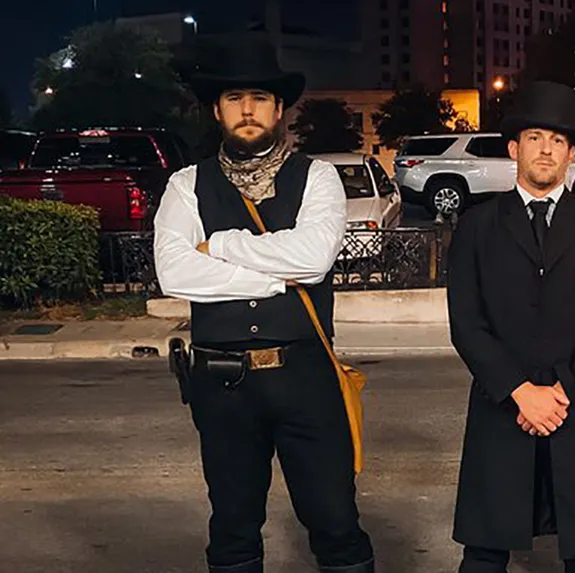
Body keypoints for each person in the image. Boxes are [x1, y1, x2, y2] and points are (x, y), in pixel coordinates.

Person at [153, 36, 374, 573]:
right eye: (234, 98)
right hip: (222, 386)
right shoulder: (186, 185)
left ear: (279, 109)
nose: (247, 109)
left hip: (306, 378)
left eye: (258, 97)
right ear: (217, 108)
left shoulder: (317, 177)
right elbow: (174, 271)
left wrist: (223, 245)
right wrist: (276, 277)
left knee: (336, 523)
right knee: (232, 529)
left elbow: (313, 257)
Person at [446, 80, 575, 573]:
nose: (546, 149)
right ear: (514, 148)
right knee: (484, 551)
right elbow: (466, 324)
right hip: (500, 405)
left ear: (571, 152)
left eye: (557, 140)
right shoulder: (476, 225)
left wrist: (558, 391)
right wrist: (517, 390)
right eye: (535, 137)